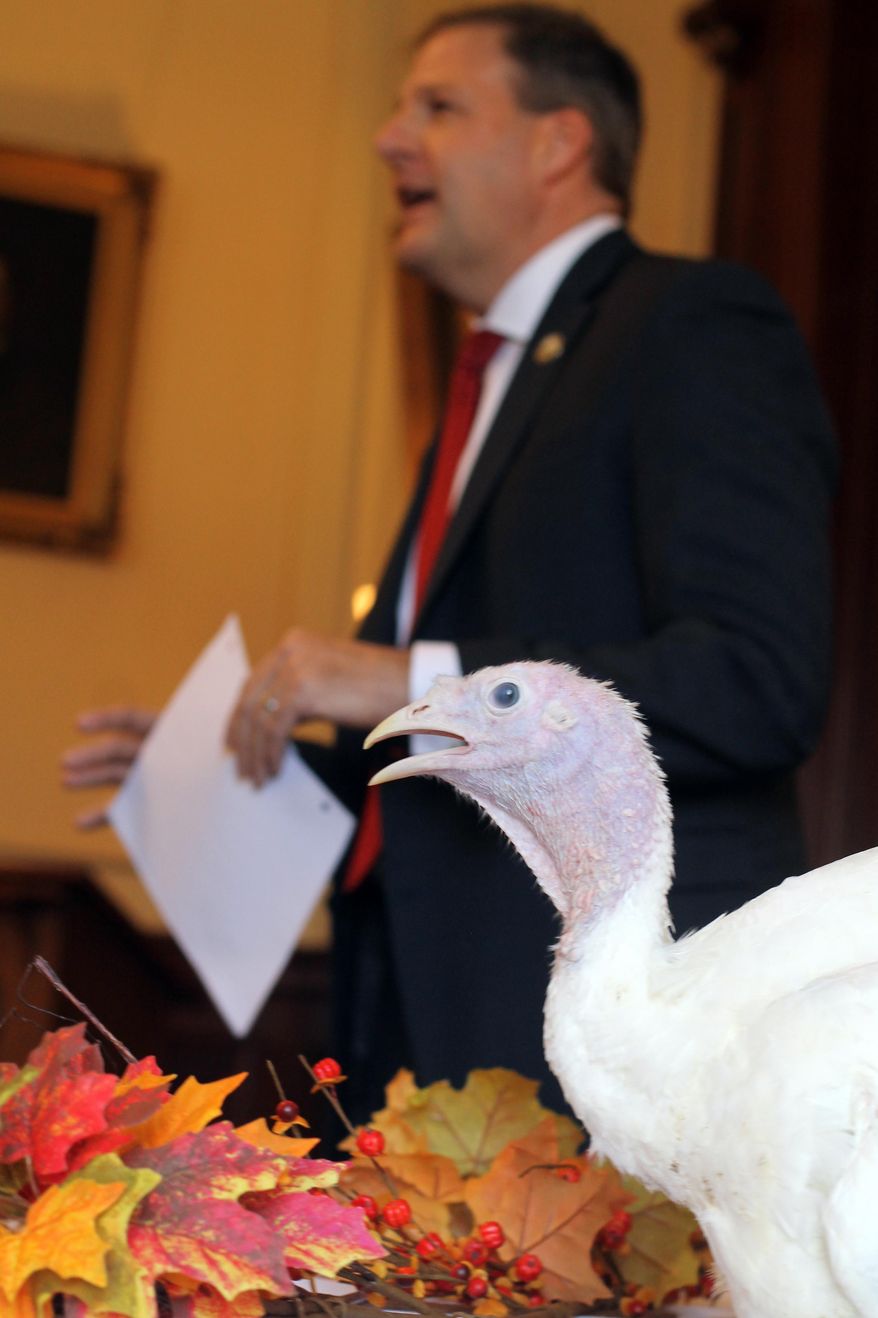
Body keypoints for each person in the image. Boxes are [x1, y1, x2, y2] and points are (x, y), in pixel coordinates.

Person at [62, 3, 836, 1121]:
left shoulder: (693, 324)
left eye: (436, 106)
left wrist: (402, 676)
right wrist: (229, 769)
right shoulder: (484, 389)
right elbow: (479, 774)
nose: (386, 138)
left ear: (556, 143)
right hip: (414, 1030)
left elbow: (752, 679)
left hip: (612, 1060)